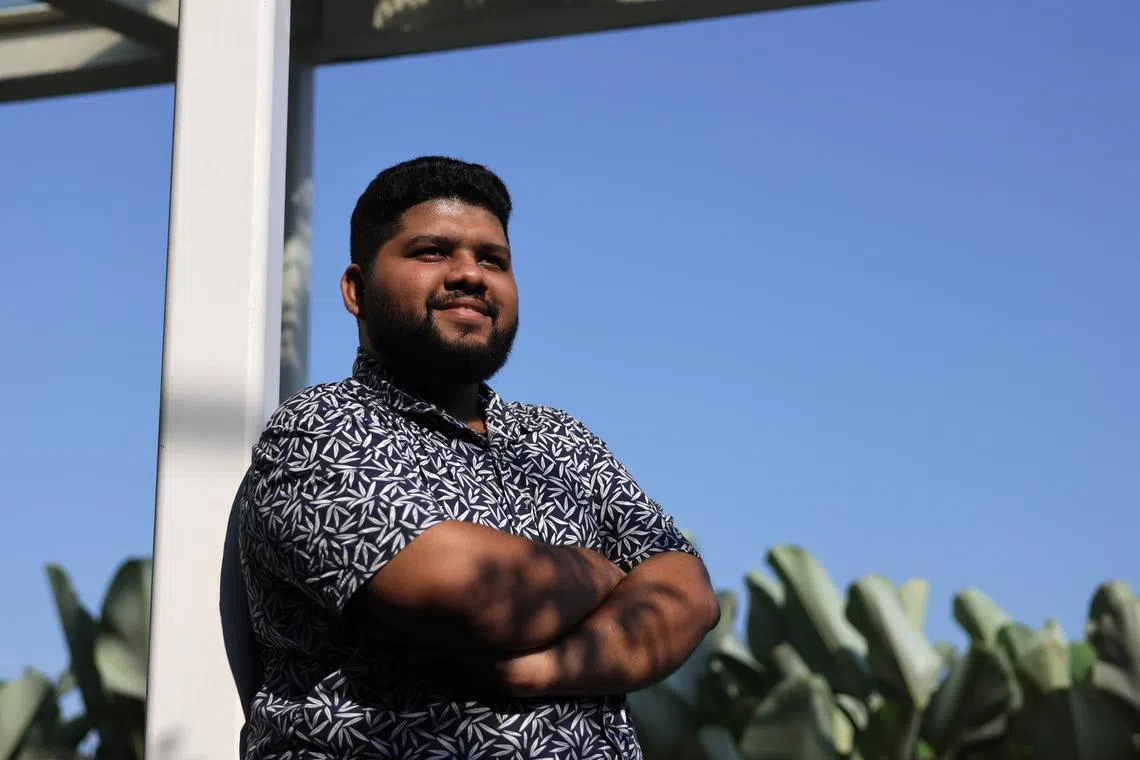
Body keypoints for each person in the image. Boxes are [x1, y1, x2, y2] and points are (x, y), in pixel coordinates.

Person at [238, 155, 720, 759]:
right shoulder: (320, 428)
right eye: (432, 251)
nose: (470, 274)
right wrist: (607, 573)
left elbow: (688, 594)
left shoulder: (561, 440)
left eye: (493, 259)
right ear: (356, 290)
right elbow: (472, 594)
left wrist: (538, 671)